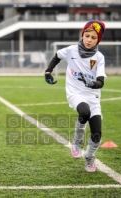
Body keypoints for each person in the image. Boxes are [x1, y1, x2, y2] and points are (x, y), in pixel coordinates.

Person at [44, 20, 107, 172]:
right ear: (82, 35)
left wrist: (92, 84)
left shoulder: (99, 57)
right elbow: (57, 56)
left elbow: (100, 81)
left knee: (97, 134)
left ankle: (89, 156)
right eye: (87, 36)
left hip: (93, 96)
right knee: (84, 112)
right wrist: (48, 72)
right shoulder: (72, 50)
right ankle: (77, 142)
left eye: (93, 37)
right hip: (75, 93)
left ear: (98, 40)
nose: (89, 40)